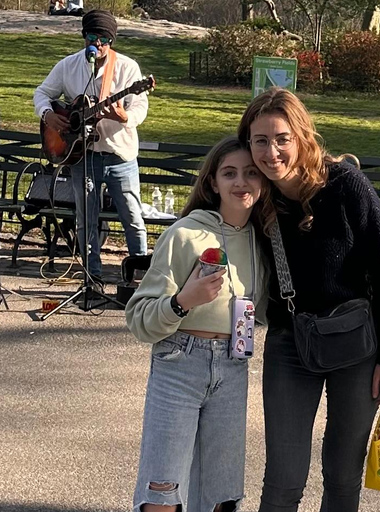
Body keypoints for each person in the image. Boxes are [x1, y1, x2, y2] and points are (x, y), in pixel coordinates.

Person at [237, 88, 380, 512]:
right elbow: (210, 218)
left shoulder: (346, 186)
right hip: (289, 342)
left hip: (357, 345)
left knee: (342, 474)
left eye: (282, 138)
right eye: (260, 140)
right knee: (283, 479)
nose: (271, 151)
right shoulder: (256, 194)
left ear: (301, 136)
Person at [126, 136, 271, 512]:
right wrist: (182, 302)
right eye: (230, 173)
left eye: (251, 173)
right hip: (179, 364)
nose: (241, 182)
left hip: (233, 367)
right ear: (213, 183)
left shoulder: (263, 242)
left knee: (221, 495)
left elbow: (267, 308)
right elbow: (138, 318)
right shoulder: (186, 234)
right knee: (162, 492)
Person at [33, 9, 148, 296]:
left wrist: (124, 117)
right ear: (84, 38)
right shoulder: (68, 66)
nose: (99, 44)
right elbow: (42, 93)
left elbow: (139, 107)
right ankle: (91, 279)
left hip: (119, 155)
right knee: (86, 218)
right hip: (82, 155)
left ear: (113, 40)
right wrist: (48, 114)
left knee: (132, 217)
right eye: (93, 38)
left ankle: (143, 279)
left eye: (105, 39)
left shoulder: (128, 69)